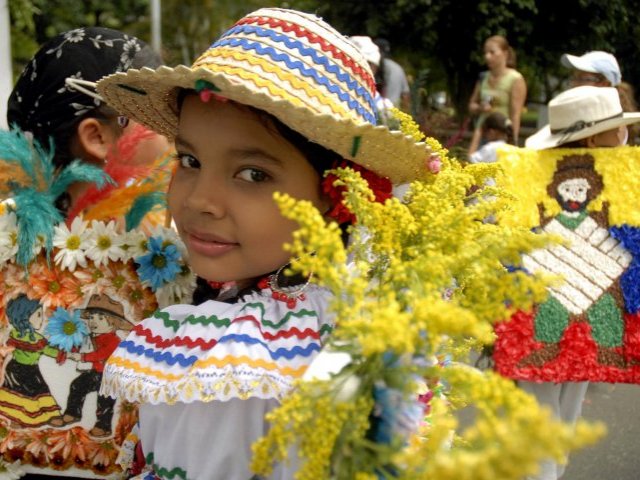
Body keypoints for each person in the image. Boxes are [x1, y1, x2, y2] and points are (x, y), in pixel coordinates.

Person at [95, 7, 429, 479]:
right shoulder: (244, 314)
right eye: (189, 160)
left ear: (336, 195)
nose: (201, 200)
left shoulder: (280, 356)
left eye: (253, 174)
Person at [2, 27, 173, 480]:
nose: (176, 129)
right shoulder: (167, 251)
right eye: (157, 112)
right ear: (98, 136)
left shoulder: (176, 243)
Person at [502, 86, 640, 480]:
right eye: (619, 132)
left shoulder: (620, 187)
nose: (625, 139)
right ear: (597, 138)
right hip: (539, 317)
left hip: (586, 312)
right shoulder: (530, 184)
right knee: (542, 429)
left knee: (561, 427)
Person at [6, 26, 170, 218]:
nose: (171, 124)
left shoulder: (14, 232)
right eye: (155, 112)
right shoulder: (142, 241)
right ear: (97, 137)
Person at [467, 35, 527, 154]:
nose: (487, 56)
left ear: (505, 53)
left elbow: (515, 115)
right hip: (481, 135)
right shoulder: (484, 77)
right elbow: (471, 105)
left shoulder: (515, 79)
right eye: (485, 53)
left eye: (492, 52)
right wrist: (480, 108)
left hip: (501, 137)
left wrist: (512, 143)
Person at [349, 36, 395, 125]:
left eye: (368, 64)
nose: (359, 69)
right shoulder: (326, 93)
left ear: (375, 69)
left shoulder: (383, 106)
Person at [374, 38, 411, 110]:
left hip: (379, 113)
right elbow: (405, 95)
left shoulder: (377, 66)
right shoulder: (398, 67)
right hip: (395, 114)